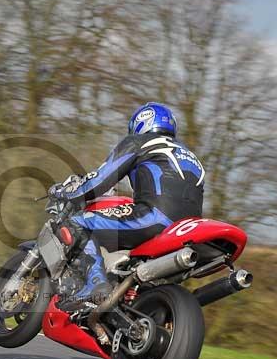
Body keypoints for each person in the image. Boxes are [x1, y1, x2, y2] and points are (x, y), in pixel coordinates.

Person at [49, 102, 205, 309]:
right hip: (188, 231)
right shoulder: (191, 156)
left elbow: (99, 181)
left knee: (77, 222)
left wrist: (67, 192)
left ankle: (95, 285)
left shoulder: (140, 142)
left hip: (154, 218)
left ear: (140, 123)